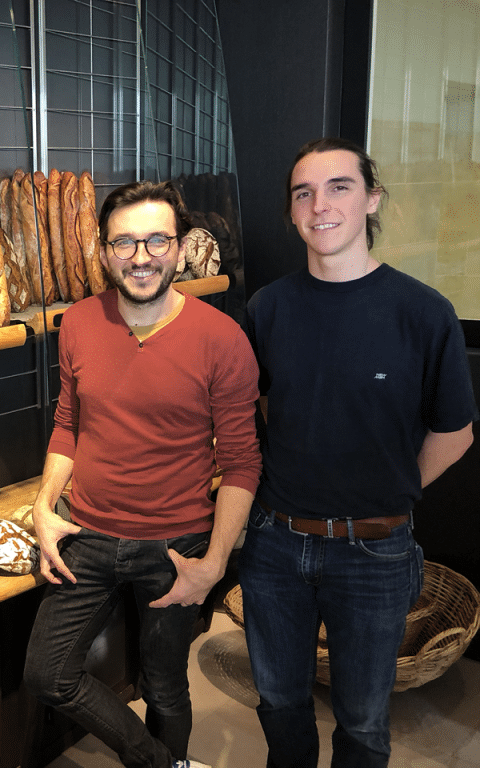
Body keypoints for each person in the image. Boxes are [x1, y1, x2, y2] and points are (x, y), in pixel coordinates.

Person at [240, 137, 478, 768]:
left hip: (375, 552)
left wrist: (389, 491)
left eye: (339, 187)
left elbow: (456, 434)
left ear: (372, 199)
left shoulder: (424, 313)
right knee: (278, 701)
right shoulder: (267, 308)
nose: (320, 205)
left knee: (365, 723)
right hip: (274, 544)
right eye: (304, 193)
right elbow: (264, 406)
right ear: (292, 212)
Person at [23, 179, 262, 768]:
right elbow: (68, 423)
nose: (141, 257)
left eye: (157, 240)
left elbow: (241, 462)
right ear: (104, 253)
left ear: (178, 248)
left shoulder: (222, 339)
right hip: (86, 536)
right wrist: (43, 505)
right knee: (47, 674)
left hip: (174, 547)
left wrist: (214, 563)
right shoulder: (79, 323)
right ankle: (159, 764)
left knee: (164, 686)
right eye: (124, 242)